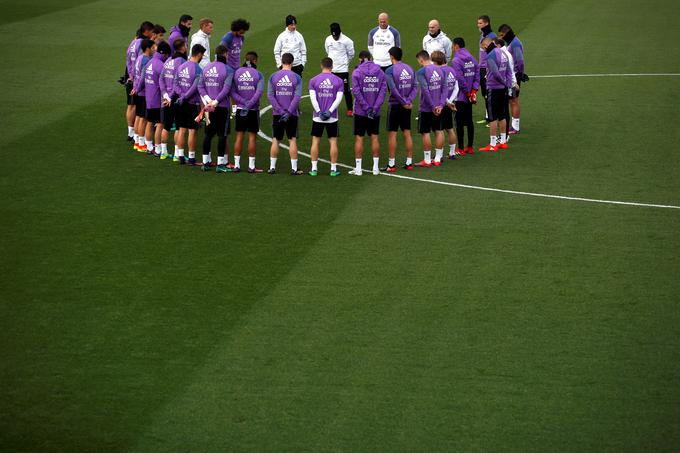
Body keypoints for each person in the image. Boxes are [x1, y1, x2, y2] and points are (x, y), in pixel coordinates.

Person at [198, 45, 235, 172]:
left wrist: (208, 101)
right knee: (222, 135)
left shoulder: (206, 68)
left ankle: (205, 162)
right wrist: (216, 101)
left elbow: (200, 86)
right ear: (225, 54)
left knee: (208, 134)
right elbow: (227, 88)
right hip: (222, 107)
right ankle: (220, 164)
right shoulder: (229, 70)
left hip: (208, 108)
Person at [350, 51, 387, 176]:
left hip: (361, 111)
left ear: (360, 59)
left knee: (359, 138)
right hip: (375, 112)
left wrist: (366, 108)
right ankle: (375, 169)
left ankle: (358, 169)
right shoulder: (381, 73)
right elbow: (382, 93)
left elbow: (356, 92)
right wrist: (374, 108)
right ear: (371, 58)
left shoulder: (357, 72)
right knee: (374, 137)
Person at [267, 53, 304, 175]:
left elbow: (270, 96)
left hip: (277, 114)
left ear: (282, 62)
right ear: (292, 63)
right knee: (292, 140)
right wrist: (288, 112)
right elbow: (297, 97)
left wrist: (280, 110)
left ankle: (272, 167)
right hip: (292, 114)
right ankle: (294, 168)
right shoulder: (297, 77)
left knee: (275, 140)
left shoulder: (273, 76)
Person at [308, 57, 345, 176]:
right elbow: (338, 99)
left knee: (315, 141)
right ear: (332, 66)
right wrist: (329, 111)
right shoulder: (338, 81)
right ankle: (333, 170)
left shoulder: (313, 80)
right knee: (333, 141)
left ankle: (314, 169)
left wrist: (319, 112)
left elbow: (313, 99)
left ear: (321, 65)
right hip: (332, 117)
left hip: (317, 117)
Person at [382, 46, 416, 172]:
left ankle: (391, 164)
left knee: (392, 135)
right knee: (407, 133)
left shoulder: (389, 71)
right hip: (407, 106)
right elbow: (415, 86)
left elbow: (393, 90)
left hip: (395, 105)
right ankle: (409, 162)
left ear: (391, 56)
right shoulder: (410, 68)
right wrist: (408, 101)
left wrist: (402, 102)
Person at [231, 51, 265, 173]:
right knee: (252, 138)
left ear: (245, 60)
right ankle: (251, 166)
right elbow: (259, 92)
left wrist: (242, 102)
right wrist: (249, 104)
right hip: (253, 110)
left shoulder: (237, 73)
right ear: (255, 61)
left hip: (240, 109)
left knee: (239, 137)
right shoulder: (258, 74)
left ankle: (236, 165)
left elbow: (232, 92)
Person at [173, 44, 206, 165]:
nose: (202, 57)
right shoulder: (198, 69)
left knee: (181, 129)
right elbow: (195, 87)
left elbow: (175, 83)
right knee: (192, 131)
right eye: (202, 55)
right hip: (192, 103)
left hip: (181, 102)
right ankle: (191, 158)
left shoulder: (181, 66)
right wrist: (186, 96)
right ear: (198, 54)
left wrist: (181, 96)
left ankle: (181, 156)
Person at [139, 41, 172, 157]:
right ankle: (158, 149)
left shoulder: (149, 63)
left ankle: (148, 147)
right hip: (158, 100)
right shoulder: (161, 66)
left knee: (149, 122)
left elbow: (142, 80)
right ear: (164, 54)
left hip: (148, 99)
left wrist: (137, 89)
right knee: (160, 124)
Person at [479, 38, 512, 152]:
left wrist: (503, 82)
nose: (483, 49)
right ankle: (503, 142)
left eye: (483, 46)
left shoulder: (490, 56)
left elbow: (495, 72)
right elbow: (508, 70)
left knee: (492, 117)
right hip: (503, 89)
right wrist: (507, 84)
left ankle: (493, 144)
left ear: (486, 44)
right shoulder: (502, 52)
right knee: (502, 115)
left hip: (493, 88)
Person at [414, 50, 446, 167]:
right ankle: (437, 158)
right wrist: (441, 105)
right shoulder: (440, 70)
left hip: (426, 108)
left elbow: (425, 90)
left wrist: (432, 106)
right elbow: (444, 89)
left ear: (421, 60)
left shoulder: (421, 72)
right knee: (438, 131)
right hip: (439, 107)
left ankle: (427, 160)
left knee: (425, 132)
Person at [124, 21, 154, 142]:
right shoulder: (142, 43)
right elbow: (142, 62)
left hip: (130, 77)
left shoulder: (133, 41)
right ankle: (137, 137)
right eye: (151, 31)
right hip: (137, 81)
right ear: (146, 31)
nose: (152, 34)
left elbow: (128, 60)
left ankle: (131, 133)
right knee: (139, 111)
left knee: (131, 106)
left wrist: (129, 75)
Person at [159, 38, 187, 160]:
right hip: (176, 97)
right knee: (180, 126)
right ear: (182, 47)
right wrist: (171, 97)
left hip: (166, 98)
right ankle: (177, 154)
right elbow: (179, 81)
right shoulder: (182, 62)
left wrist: (165, 95)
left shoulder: (168, 60)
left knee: (166, 125)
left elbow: (161, 79)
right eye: (186, 45)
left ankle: (163, 152)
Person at [451, 37, 479, 155]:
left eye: (453, 46)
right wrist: (473, 91)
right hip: (470, 95)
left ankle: (461, 148)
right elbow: (477, 74)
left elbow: (460, 78)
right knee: (469, 121)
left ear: (456, 46)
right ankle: (470, 147)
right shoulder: (472, 58)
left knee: (459, 122)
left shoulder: (456, 60)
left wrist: (467, 92)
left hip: (461, 96)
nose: (452, 48)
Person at [431, 51, 459, 159]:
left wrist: (446, 102)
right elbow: (456, 87)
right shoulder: (452, 69)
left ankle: (439, 155)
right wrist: (451, 101)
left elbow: (441, 89)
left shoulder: (439, 71)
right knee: (450, 128)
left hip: (441, 104)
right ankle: (452, 153)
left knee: (439, 130)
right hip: (450, 103)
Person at [498, 24, 525, 134]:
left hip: (514, 76)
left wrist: (520, 74)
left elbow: (520, 60)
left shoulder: (515, 43)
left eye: (502, 34)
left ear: (507, 32)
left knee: (514, 101)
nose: (501, 37)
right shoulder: (512, 42)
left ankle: (515, 127)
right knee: (512, 100)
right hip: (511, 76)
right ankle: (514, 126)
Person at [324, 22, 355, 116]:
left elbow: (351, 54)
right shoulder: (328, 39)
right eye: (334, 36)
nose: (335, 37)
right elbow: (327, 51)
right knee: (330, 90)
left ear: (340, 32)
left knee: (346, 90)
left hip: (342, 70)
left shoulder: (347, 41)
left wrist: (344, 63)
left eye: (336, 36)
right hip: (331, 70)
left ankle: (350, 109)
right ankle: (330, 108)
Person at [131, 39, 155, 152]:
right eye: (153, 47)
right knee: (144, 119)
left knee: (139, 117)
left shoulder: (139, 58)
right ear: (148, 48)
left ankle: (137, 141)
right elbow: (144, 77)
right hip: (144, 92)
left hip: (138, 90)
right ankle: (141, 144)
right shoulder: (146, 60)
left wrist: (135, 88)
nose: (154, 49)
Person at [477, 15, 496, 122]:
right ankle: (488, 115)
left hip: (487, 68)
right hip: (482, 67)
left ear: (486, 23)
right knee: (484, 93)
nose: (478, 25)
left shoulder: (492, 36)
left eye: (480, 23)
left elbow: (494, 53)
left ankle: (492, 118)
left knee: (489, 93)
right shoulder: (483, 35)